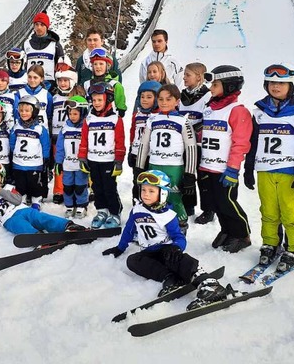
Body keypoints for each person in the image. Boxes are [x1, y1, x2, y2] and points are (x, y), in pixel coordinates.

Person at [102, 170, 228, 304]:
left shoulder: (168, 216)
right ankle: (170, 278)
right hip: (148, 252)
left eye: (151, 191)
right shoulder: (137, 211)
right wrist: (120, 248)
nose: (145, 194)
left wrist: (176, 247)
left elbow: (179, 237)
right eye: (143, 190)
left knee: (180, 259)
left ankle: (208, 283)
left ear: (162, 193)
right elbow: (128, 230)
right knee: (133, 260)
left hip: (166, 251)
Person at [244, 63, 294, 273]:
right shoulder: (258, 113)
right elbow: (253, 143)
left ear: (291, 86)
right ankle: (270, 243)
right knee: (268, 211)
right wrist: (248, 169)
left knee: (290, 212)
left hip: (288, 171)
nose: (275, 86)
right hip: (264, 170)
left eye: (281, 83)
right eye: (272, 82)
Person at [198, 65, 252, 253]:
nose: (211, 88)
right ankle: (227, 230)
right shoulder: (210, 108)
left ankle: (242, 234)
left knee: (227, 202)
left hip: (224, 169)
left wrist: (233, 168)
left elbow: (241, 142)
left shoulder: (237, 111)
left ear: (229, 86)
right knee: (215, 203)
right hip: (207, 166)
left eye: (215, 84)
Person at [136, 84, 197, 234]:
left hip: (174, 167)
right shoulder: (152, 120)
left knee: (174, 198)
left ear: (177, 101)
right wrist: (139, 167)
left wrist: (189, 174)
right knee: (154, 197)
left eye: (168, 99)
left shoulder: (183, 121)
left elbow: (191, 148)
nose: (164, 102)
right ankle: (156, 226)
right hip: (154, 165)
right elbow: (144, 145)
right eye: (161, 99)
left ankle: (181, 225)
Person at [0, 161, 84, 234]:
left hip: (23, 210)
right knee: (21, 226)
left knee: (41, 218)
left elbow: (18, 200)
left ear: (1, 180)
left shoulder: (8, 187)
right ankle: (37, 237)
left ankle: (67, 226)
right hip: (8, 219)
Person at [78, 82, 125, 229]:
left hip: (108, 161)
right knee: (97, 188)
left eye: (100, 99)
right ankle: (102, 210)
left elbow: (120, 141)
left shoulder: (115, 119)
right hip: (93, 160)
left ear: (108, 99)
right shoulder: (89, 119)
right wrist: (82, 157)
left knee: (109, 187)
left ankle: (115, 212)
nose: (96, 103)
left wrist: (118, 161)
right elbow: (84, 140)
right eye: (94, 100)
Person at [179, 63, 212, 221]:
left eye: (187, 75)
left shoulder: (208, 95)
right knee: (186, 173)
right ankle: (188, 205)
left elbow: (209, 117)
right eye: (184, 75)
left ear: (199, 77)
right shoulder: (182, 95)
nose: (184, 78)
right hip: (184, 143)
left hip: (200, 143)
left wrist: (192, 127)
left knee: (203, 177)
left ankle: (208, 209)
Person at [10, 95, 51, 209]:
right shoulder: (16, 127)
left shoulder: (40, 129)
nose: (24, 113)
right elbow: (12, 143)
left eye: (27, 111)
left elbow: (45, 145)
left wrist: (46, 158)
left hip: (34, 163)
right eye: (21, 110)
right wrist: (16, 153)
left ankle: (36, 199)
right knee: (20, 183)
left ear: (35, 111)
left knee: (35, 184)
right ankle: (21, 199)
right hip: (19, 163)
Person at [55, 96, 90, 218]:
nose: (72, 116)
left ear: (83, 112)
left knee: (80, 186)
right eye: (70, 113)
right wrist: (58, 162)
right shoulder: (64, 129)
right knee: (68, 186)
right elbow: (59, 147)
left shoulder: (86, 128)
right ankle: (69, 206)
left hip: (80, 165)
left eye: (75, 113)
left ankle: (81, 205)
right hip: (68, 164)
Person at [50, 63, 80, 204]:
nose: (63, 83)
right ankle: (59, 190)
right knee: (59, 164)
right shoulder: (54, 98)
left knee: (75, 164)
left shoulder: (77, 97)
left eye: (66, 80)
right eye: (60, 80)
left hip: (73, 135)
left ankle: (77, 188)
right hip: (57, 136)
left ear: (72, 81)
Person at [128, 81, 161, 199]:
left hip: (152, 156)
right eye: (142, 97)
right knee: (137, 181)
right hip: (137, 154)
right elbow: (133, 132)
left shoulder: (159, 116)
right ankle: (137, 202)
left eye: (149, 97)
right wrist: (131, 149)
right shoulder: (137, 115)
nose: (144, 100)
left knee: (152, 182)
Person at [24, 11, 66, 86]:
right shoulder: (26, 44)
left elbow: (61, 66)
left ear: (47, 26)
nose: (39, 27)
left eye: (42, 25)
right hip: (31, 84)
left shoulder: (55, 45)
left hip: (49, 85)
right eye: (36, 24)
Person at [83, 48, 127, 117]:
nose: (98, 67)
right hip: (91, 122)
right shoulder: (87, 84)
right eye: (95, 64)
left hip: (110, 121)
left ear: (108, 66)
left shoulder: (115, 85)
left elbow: (121, 108)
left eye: (101, 64)